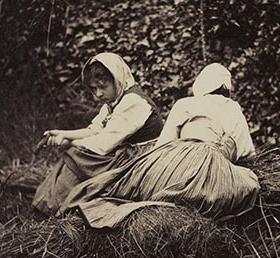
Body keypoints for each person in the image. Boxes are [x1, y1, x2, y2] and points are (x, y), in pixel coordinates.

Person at [58, 63, 260, 228]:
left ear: (201, 87)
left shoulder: (186, 104)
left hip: (184, 155)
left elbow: (165, 143)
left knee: (129, 185)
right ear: (227, 90)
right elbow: (247, 153)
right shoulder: (235, 109)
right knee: (245, 184)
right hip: (218, 165)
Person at [32, 52, 164, 215]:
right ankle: (49, 205)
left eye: (103, 87)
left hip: (142, 159)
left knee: (77, 155)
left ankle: (53, 207)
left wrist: (67, 142)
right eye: (94, 89)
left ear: (117, 80)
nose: (98, 94)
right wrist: (63, 133)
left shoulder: (133, 102)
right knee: (77, 154)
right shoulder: (114, 101)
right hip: (124, 152)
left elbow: (102, 145)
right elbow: (94, 130)